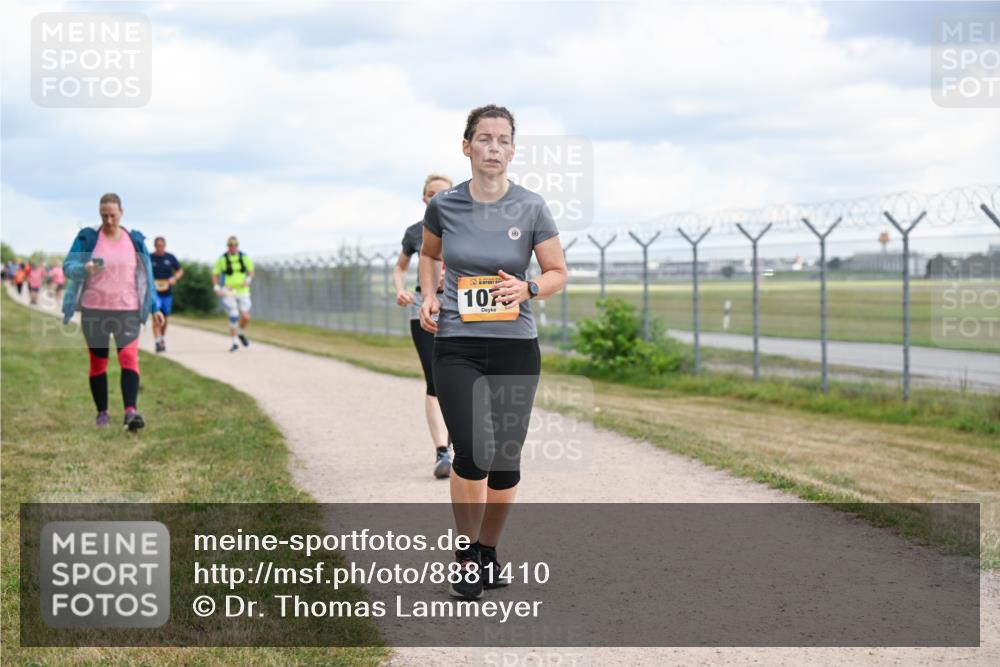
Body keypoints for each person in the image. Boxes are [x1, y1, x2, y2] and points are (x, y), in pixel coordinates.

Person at [419, 105, 568, 600]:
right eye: (484, 139)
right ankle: (465, 556)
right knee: (474, 451)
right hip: (458, 345)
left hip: (516, 347)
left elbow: (556, 273)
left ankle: (487, 551)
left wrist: (529, 289)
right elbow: (429, 255)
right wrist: (429, 294)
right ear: (467, 147)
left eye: (503, 140)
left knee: (505, 460)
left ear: (513, 150)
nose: (494, 148)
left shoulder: (531, 206)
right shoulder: (445, 206)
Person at [62, 193, 164, 431]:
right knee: (98, 363)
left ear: (122, 212)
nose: (108, 220)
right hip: (94, 309)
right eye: (104, 215)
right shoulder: (88, 238)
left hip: (127, 309)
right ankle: (102, 414)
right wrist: (84, 268)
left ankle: (130, 413)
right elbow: (68, 267)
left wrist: (154, 307)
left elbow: (146, 277)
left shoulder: (134, 240)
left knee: (128, 358)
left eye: (113, 215)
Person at [395, 172, 454, 479]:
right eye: (432, 194)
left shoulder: (465, 227)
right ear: (424, 198)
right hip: (424, 307)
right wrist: (400, 289)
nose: (437, 198)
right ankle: (442, 451)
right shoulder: (415, 232)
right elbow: (401, 266)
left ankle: (460, 438)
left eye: (444, 192)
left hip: (459, 307)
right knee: (434, 379)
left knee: (460, 376)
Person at [212, 236, 254, 352]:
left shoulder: (244, 257)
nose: (233, 247)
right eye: (230, 245)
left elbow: (251, 270)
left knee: (246, 316)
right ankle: (235, 342)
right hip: (228, 291)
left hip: (242, 291)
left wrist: (248, 280)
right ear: (228, 246)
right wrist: (216, 288)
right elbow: (215, 274)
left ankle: (240, 333)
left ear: (237, 246)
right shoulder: (222, 259)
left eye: (235, 245)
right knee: (234, 315)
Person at [150, 236, 184, 353]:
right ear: (155, 246)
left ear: (164, 246)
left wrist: (174, 278)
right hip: (154, 293)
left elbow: (180, 270)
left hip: (167, 292)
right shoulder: (150, 257)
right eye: (158, 246)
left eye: (162, 246)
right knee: (156, 316)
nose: (160, 248)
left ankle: (162, 338)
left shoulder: (170, 257)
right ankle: (157, 341)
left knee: (165, 318)